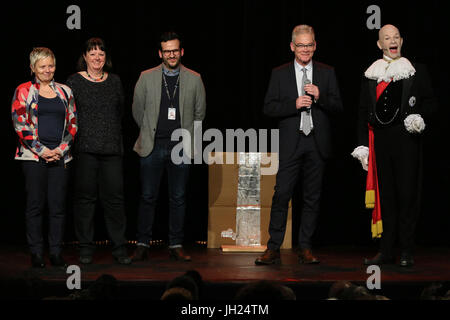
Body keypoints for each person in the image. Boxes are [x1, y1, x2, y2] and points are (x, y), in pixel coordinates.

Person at [255, 25, 343, 265]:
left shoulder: (327, 72)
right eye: (301, 45)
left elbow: (338, 106)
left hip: (317, 142)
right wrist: (293, 104)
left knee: (312, 197)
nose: (305, 50)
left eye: (309, 45)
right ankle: (273, 247)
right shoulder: (279, 73)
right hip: (291, 143)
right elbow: (268, 108)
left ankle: (305, 248)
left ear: (315, 46)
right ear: (292, 47)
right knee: (282, 194)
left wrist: (320, 96)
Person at [352, 24, 437, 267]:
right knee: (386, 197)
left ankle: (407, 251)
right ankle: (387, 250)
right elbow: (361, 112)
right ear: (379, 44)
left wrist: (420, 117)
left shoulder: (416, 70)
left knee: (407, 196)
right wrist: (362, 146)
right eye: (387, 38)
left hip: (407, 141)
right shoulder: (371, 73)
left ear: (401, 40)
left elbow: (431, 103)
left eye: (396, 37)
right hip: (380, 141)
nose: (393, 41)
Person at [132, 31, 206, 262]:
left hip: (180, 148)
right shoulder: (146, 77)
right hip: (152, 146)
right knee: (147, 197)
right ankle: (142, 244)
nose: (171, 54)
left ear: (181, 52)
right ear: (160, 53)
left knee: (178, 197)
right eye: (167, 51)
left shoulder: (195, 78)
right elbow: (137, 110)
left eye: (175, 50)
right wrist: (148, 132)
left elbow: (199, 114)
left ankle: (175, 244)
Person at [66, 38, 131, 265]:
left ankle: (120, 248)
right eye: (92, 53)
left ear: (106, 58)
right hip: (85, 149)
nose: (97, 58)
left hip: (111, 149)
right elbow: (69, 115)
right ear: (84, 56)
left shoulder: (115, 81)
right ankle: (85, 248)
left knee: (114, 199)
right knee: (85, 200)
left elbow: (119, 111)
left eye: (101, 54)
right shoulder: (73, 82)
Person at [11, 47, 77, 268]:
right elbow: (20, 124)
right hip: (32, 157)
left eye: (51, 65)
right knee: (35, 205)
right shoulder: (23, 90)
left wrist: (60, 149)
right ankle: (37, 253)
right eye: (43, 66)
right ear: (32, 68)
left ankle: (56, 252)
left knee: (58, 206)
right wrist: (41, 150)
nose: (48, 70)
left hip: (60, 156)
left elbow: (73, 123)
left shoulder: (65, 91)